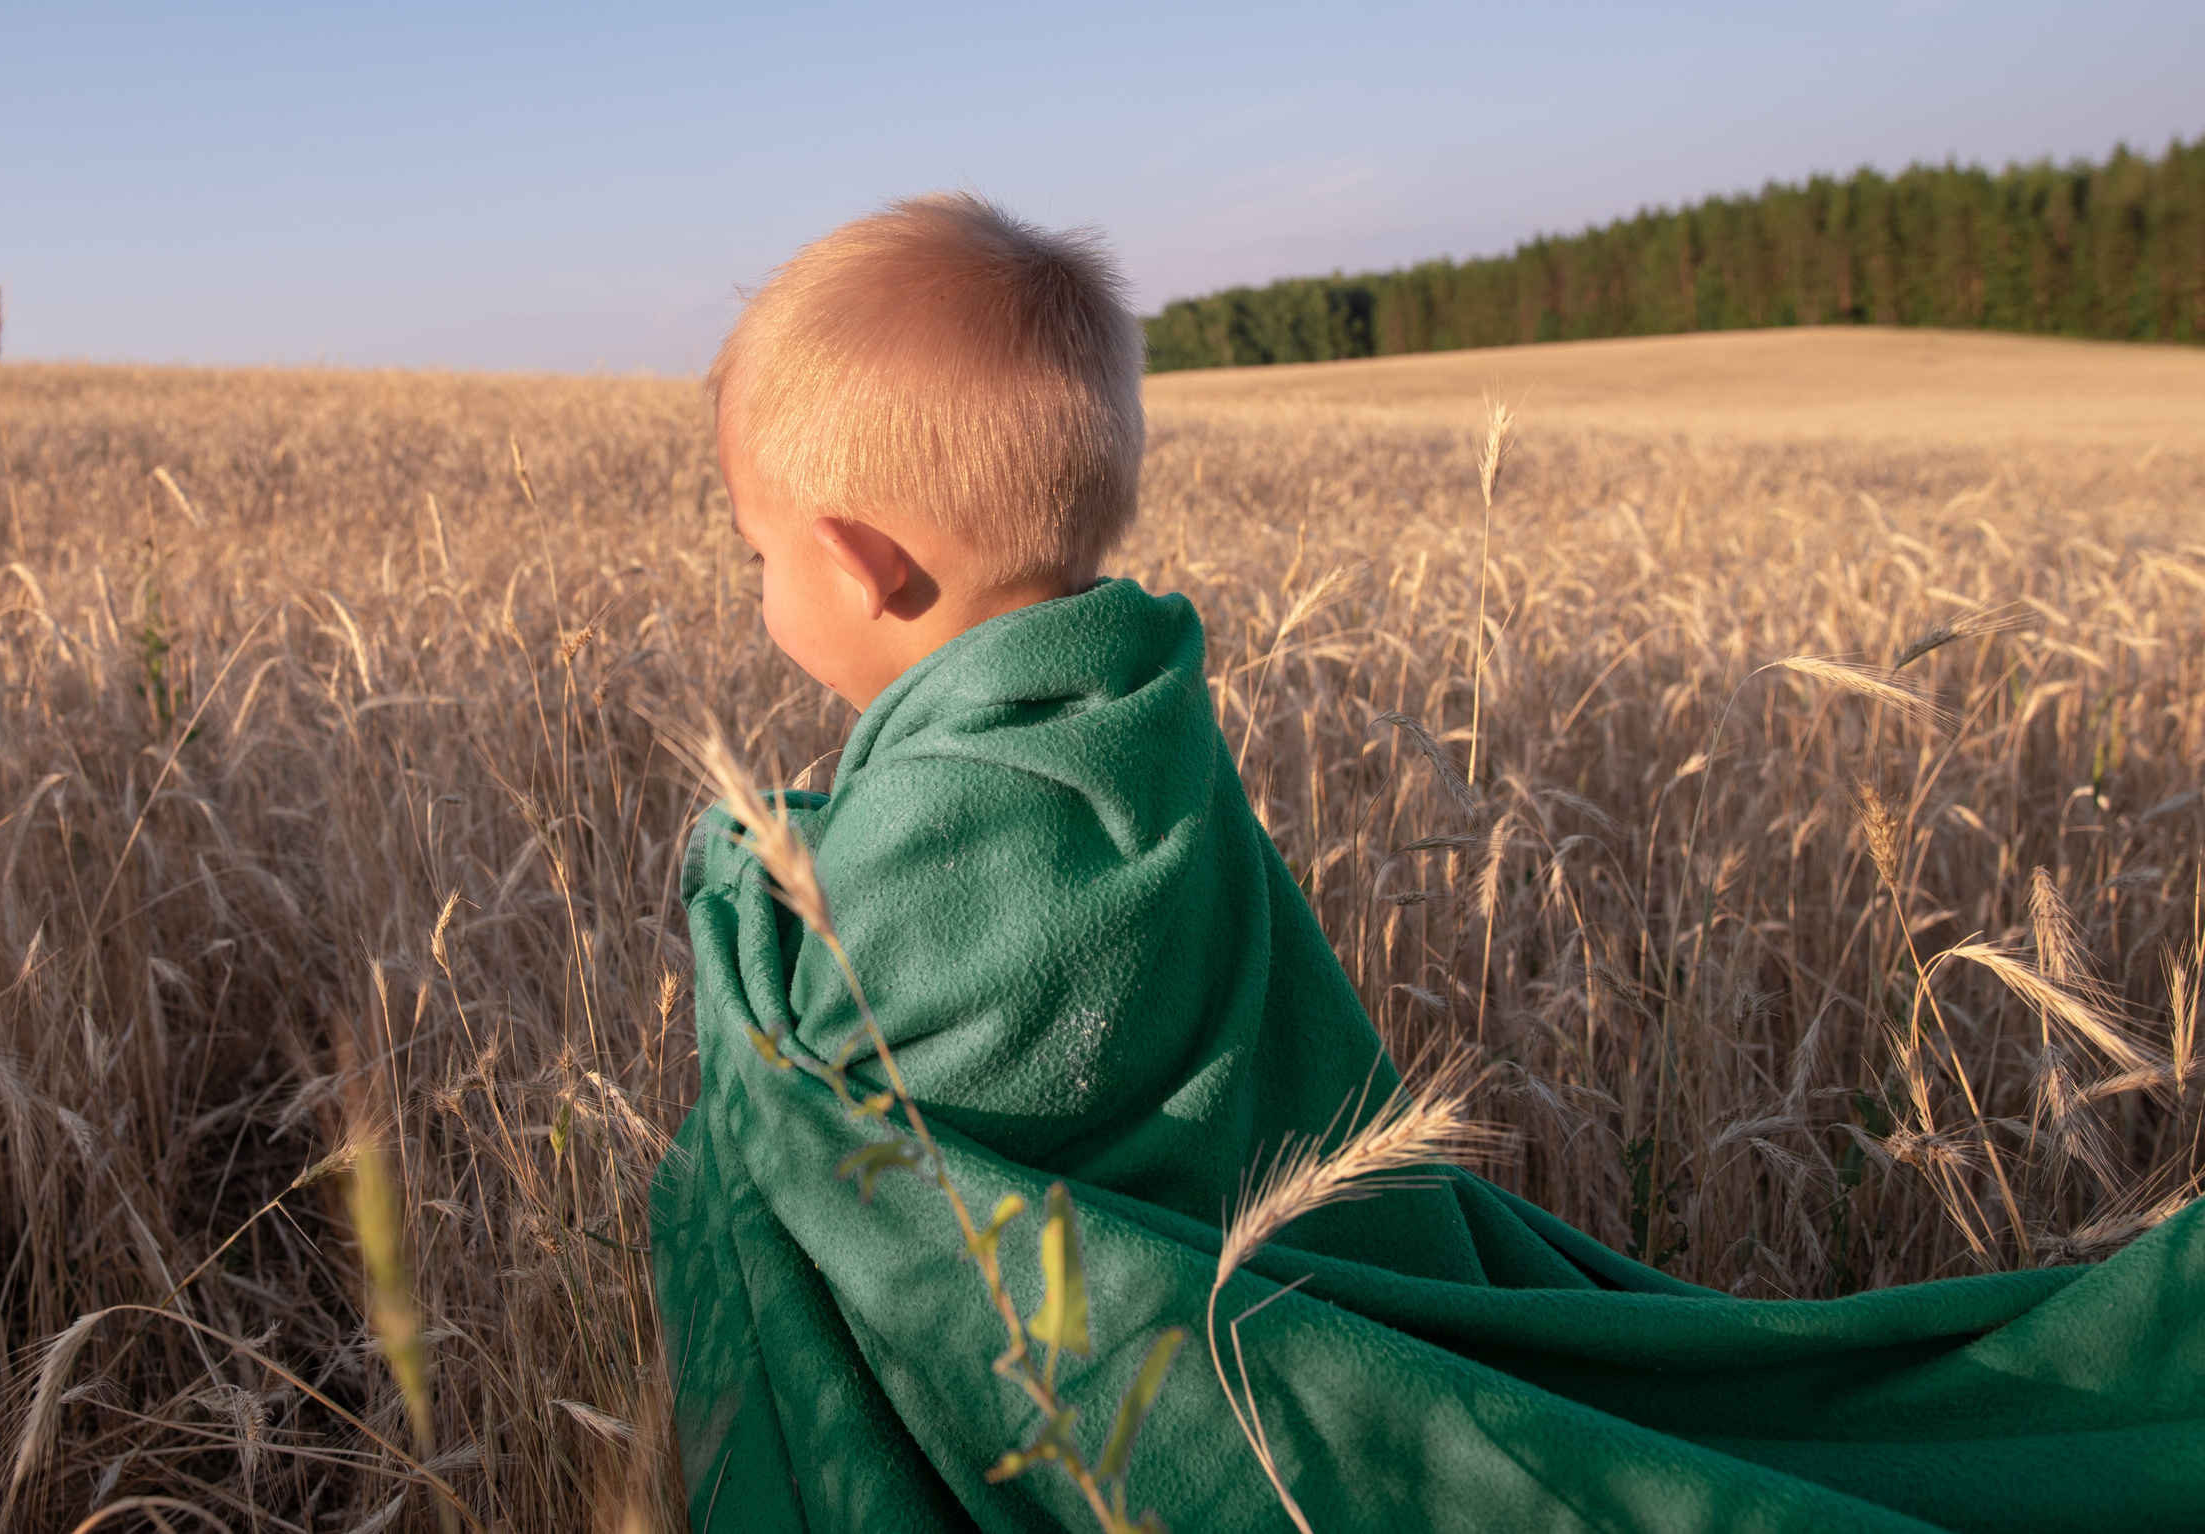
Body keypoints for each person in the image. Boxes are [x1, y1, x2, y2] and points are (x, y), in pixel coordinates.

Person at [649, 192, 2204, 1533]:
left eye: (757, 553)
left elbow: (826, 1098)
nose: (761, 588)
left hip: (1183, 1415)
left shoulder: (958, 827)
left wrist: (735, 887)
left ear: (862, 564)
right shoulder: (1131, 730)